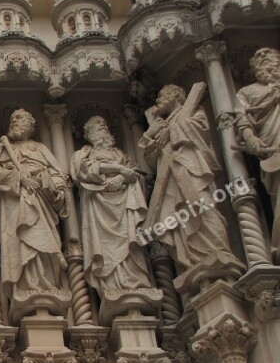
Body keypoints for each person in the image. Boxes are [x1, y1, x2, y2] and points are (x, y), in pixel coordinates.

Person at [139, 84, 243, 292]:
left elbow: (199, 133)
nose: (158, 100)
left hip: (192, 172)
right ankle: (195, 262)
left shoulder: (191, 112)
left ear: (176, 95)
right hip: (170, 180)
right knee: (180, 221)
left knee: (206, 211)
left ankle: (218, 252)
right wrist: (151, 137)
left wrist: (172, 131)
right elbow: (150, 160)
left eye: (162, 95)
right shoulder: (159, 125)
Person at [0, 108, 69, 294]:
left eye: (19, 118)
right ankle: (25, 285)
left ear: (30, 125)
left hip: (42, 197)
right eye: (12, 119)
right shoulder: (3, 149)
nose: (14, 121)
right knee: (21, 242)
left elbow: (58, 174)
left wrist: (54, 186)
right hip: (15, 199)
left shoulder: (41, 149)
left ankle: (48, 284)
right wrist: (18, 178)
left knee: (42, 244)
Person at [71, 116, 152, 293]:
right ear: (88, 134)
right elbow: (81, 171)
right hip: (99, 208)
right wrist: (118, 169)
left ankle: (136, 281)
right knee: (106, 248)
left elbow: (139, 175)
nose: (102, 127)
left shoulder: (121, 155)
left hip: (125, 206)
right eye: (97, 126)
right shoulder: (83, 153)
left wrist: (122, 177)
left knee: (131, 243)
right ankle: (111, 285)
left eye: (104, 125)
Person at [235, 47, 280, 257]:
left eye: (270, 57)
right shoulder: (247, 92)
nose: (266, 61)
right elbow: (241, 118)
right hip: (273, 149)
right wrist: (251, 138)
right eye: (260, 59)